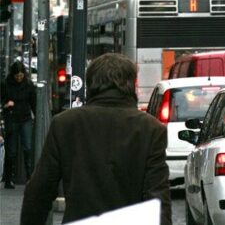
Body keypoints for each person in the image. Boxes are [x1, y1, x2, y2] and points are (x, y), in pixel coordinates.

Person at [20, 53, 172, 225]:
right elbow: (158, 198)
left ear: (91, 84)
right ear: (133, 85)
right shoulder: (150, 129)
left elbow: (39, 191)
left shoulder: (65, 124)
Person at [1, 61, 36, 189]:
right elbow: (2, 100)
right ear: (13, 75)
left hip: (24, 118)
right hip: (12, 118)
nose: (19, 78)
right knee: (12, 150)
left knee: (27, 147)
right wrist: (6, 105)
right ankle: (9, 178)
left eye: (21, 76)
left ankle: (29, 177)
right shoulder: (6, 85)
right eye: (17, 76)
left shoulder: (28, 85)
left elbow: (33, 101)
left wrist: (36, 113)